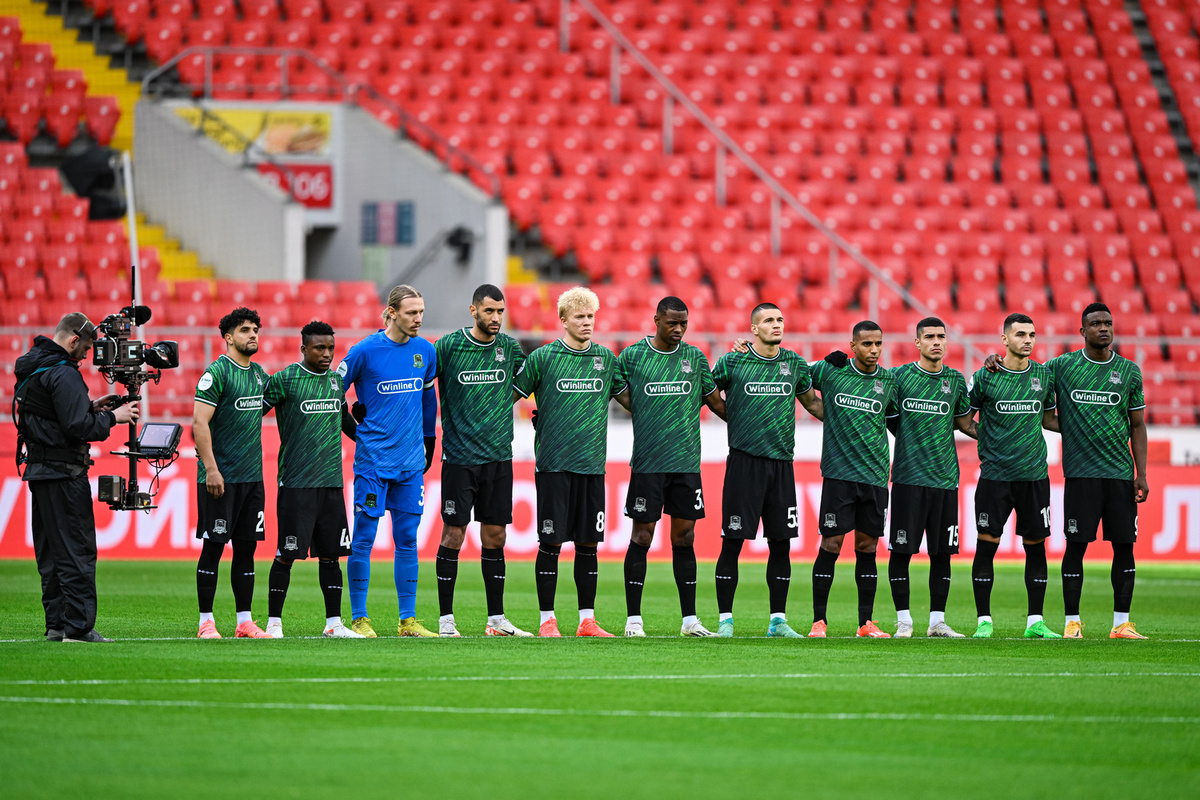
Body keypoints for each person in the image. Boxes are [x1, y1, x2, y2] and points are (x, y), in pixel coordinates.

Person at [1011, 304, 1149, 639]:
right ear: (1083, 331)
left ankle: (1121, 623)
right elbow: (1029, 380)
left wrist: (1141, 474)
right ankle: (1072, 622)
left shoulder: (1129, 371)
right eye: (1096, 324)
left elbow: (1137, 425)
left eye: (1108, 323)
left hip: (1119, 474)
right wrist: (996, 363)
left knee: (1124, 547)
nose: (1103, 328)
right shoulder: (1062, 367)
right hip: (1080, 474)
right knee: (1076, 547)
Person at [14, 312, 138, 642]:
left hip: (40, 471)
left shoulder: (34, 365)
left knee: (52, 553)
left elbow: (52, 414)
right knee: (77, 551)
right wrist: (113, 417)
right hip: (65, 472)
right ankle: (79, 627)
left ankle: (57, 624)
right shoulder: (64, 372)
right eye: (84, 349)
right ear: (73, 340)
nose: (85, 356)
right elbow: (77, 428)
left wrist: (91, 406)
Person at [512, 286, 626, 637]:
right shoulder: (543, 358)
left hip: (592, 465)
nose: (587, 322)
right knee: (551, 543)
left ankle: (586, 620)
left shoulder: (606, 359)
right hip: (554, 465)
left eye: (590, 316)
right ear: (563, 320)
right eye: (579, 316)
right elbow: (508, 396)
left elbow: (633, 401)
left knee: (588, 544)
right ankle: (547, 620)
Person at [611, 296, 726, 637]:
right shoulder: (632, 356)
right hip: (648, 463)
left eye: (683, 323)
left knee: (685, 536)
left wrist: (751, 421)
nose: (678, 329)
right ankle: (633, 620)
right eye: (672, 323)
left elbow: (715, 402)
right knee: (642, 535)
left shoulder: (695, 357)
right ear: (657, 320)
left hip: (686, 463)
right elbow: (618, 393)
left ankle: (690, 620)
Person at [711, 303, 823, 639]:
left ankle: (778, 620)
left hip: (781, 465)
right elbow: (708, 392)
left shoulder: (794, 363)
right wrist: (735, 418)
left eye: (780, 320)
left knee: (781, 543)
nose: (777, 325)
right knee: (732, 542)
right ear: (754, 329)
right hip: (744, 463)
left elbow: (812, 403)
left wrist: (848, 418)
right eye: (769, 320)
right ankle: (725, 621)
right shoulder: (733, 361)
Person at [337, 285, 439, 638]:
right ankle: (360, 618)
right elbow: (333, 391)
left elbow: (429, 399)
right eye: (412, 312)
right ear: (392, 313)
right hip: (373, 462)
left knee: (408, 538)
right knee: (364, 537)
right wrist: (353, 429)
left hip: (410, 463)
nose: (418, 318)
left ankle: (407, 621)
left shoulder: (426, 351)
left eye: (421, 311)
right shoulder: (364, 351)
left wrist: (429, 440)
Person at [433, 284, 533, 637]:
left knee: (496, 535)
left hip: (498, 456)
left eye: (500, 311)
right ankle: (446, 620)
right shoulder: (448, 347)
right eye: (489, 311)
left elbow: (531, 380)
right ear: (473, 310)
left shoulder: (509, 348)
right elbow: (420, 383)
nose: (496, 318)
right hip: (460, 458)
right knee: (453, 534)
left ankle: (496, 620)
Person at [260, 321, 363, 638]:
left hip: (331, 483)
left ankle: (334, 624)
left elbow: (345, 422)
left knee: (332, 556)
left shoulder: (335, 382)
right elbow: (252, 413)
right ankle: (274, 623)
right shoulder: (286, 380)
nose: (327, 354)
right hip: (296, 483)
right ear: (303, 348)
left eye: (331, 348)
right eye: (320, 348)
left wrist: (370, 436)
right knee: (286, 554)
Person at [966, 313, 1061, 639]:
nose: (1028, 340)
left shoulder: (1043, 376)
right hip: (995, 476)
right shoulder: (985, 376)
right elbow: (964, 419)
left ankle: (1035, 622)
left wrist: (1087, 426)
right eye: (1020, 334)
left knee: (1036, 546)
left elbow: (1048, 419)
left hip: (1034, 475)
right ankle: (984, 621)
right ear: (1005, 339)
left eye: (1032, 334)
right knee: (987, 544)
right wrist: (990, 440)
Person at [886, 317, 977, 639]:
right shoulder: (899, 377)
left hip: (944, 480)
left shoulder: (955, 380)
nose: (936, 342)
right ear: (917, 342)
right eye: (929, 337)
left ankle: (937, 622)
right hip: (908, 479)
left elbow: (965, 424)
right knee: (901, 551)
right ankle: (904, 621)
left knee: (942, 554)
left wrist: (1002, 436)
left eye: (941, 336)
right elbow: (890, 419)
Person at [808, 320, 899, 639]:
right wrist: (820, 361)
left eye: (878, 344)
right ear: (853, 346)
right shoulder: (831, 371)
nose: (873, 350)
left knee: (867, 546)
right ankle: (819, 621)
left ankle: (865, 623)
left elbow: (898, 423)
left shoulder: (889, 380)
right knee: (831, 543)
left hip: (875, 477)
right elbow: (792, 372)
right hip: (839, 476)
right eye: (866, 344)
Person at [193, 308, 272, 638]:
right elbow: (199, 423)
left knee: (246, 549)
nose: (252, 335)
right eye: (244, 330)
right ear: (228, 337)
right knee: (213, 547)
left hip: (252, 479)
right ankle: (206, 622)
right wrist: (211, 469)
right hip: (220, 479)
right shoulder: (217, 373)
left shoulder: (259, 375)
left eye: (255, 329)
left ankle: (244, 622)